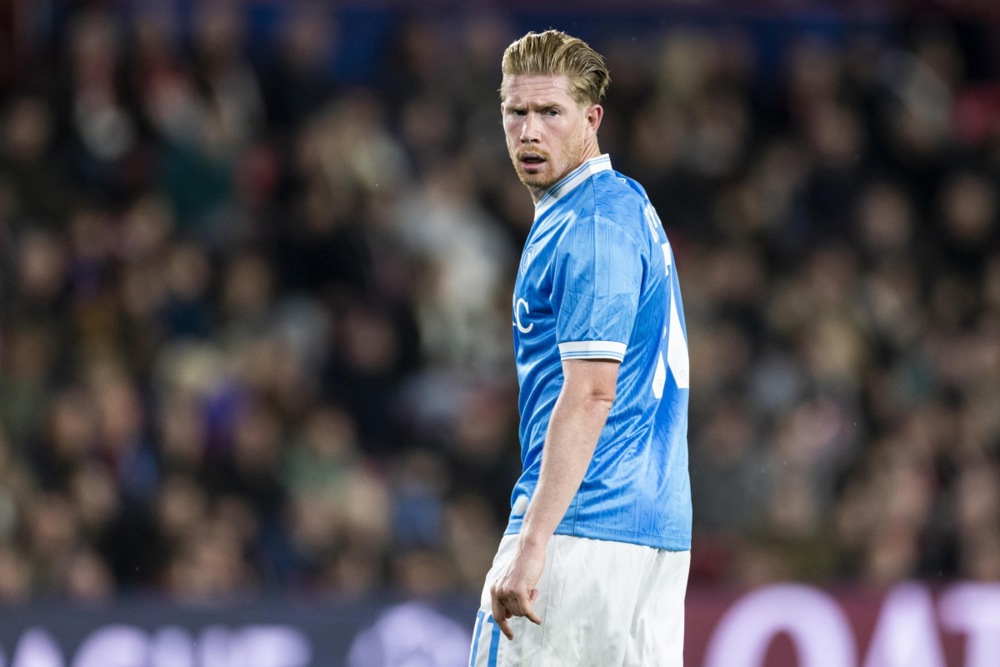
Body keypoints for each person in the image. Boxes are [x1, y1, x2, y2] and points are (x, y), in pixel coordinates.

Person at [468, 30, 692, 667]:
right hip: (653, 535)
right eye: (516, 112)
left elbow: (593, 390)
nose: (529, 131)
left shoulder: (590, 222)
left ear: (591, 119)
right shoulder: (621, 208)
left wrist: (533, 544)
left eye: (550, 112)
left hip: (580, 527)